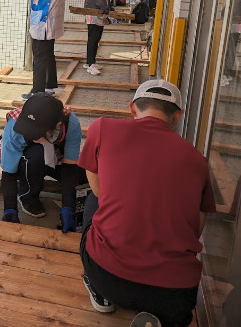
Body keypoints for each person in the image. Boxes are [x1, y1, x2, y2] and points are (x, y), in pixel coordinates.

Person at [78, 80, 216, 327]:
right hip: (175, 292)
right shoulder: (197, 160)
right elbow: (197, 225)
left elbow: (97, 186)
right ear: (178, 116)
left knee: (92, 200)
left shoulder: (103, 128)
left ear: (132, 108)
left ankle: (101, 293)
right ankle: (159, 318)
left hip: (107, 274)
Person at [0, 93, 84, 232]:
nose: (30, 135)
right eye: (28, 131)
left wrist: (68, 207)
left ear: (57, 126)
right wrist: (10, 209)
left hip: (57, 157)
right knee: (36, 155)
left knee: (83, 178)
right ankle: (27, 195)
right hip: (31, 161)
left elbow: (70, 167)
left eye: (35, 133)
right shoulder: (14, 128)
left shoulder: (71, 124)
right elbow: (8, 173)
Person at [5, 0, 66, 99]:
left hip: (47, 18)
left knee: (39, 54)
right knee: (46, 53)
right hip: (41, 16)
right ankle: (48, 85)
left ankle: (37, 92)